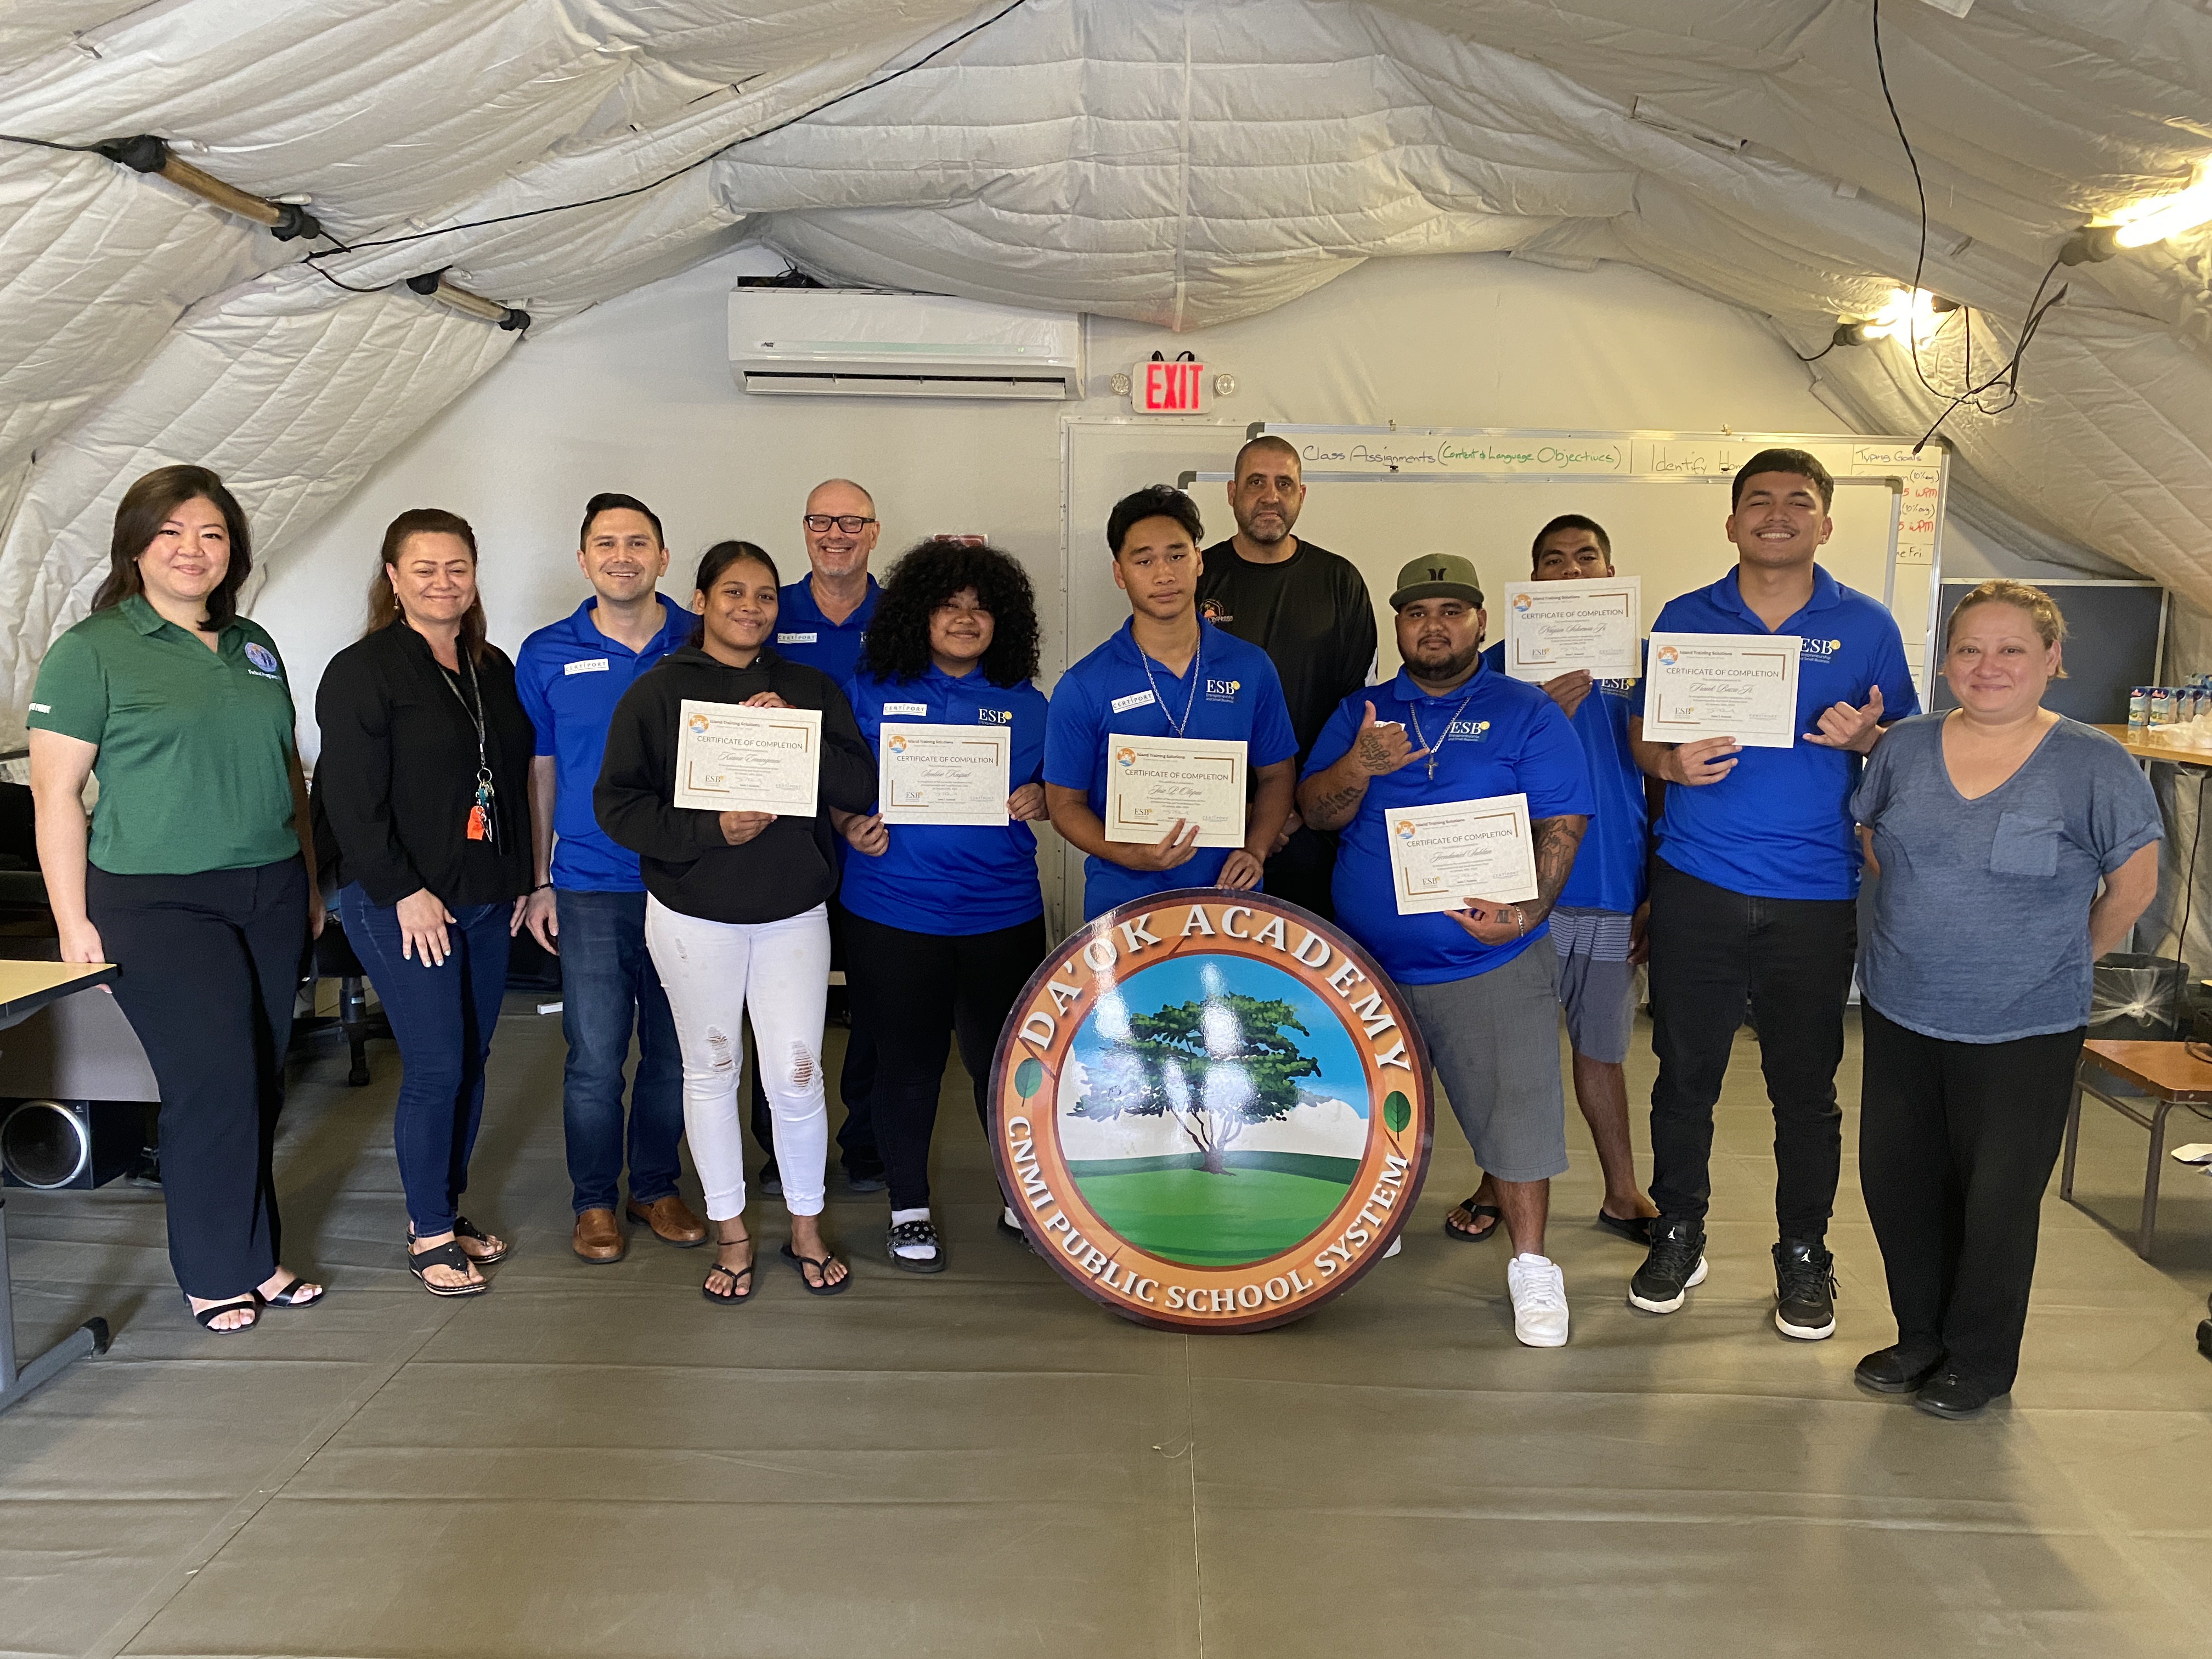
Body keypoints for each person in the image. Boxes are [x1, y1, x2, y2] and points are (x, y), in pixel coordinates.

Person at [1627, 448, 1918, 1338]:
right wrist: (1667, 761)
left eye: (1799, 500)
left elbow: (1908, 745)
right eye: (1758, 500)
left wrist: (1871, 738)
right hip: (1697, 884)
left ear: (1826, 523)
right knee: (1684, 1077)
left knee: (1806, 1088)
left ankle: (1803, 1252)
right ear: (1731, 522)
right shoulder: (1686, 615)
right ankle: (1677, 1228)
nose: (1778, 513)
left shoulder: (1866, 625)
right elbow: (1642, 733)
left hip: (1814, 893)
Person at [1851, 581, 2159, 1419]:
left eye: (2012, 649)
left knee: (1996, 1200)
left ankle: (1979, 1360)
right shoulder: (1904, 748)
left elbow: (2133, 885)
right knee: (1900, 1183)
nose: (1989, 667)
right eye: (1970, 650)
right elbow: (1877, 843)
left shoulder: (2094, 763)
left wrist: (2061, 958)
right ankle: (1920, 1335)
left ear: (2052, 661)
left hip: (2025, 1026)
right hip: (1902, 1010)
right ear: (1947, 661)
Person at [27, 466, 324, 1334]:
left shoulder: (253, 644)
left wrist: (306, 880)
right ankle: (210, 1271)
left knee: (261, 1079)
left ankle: (256, 1258)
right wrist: (73, 922)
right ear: (136, 546)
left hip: (268, 889)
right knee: (213, 1080)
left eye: (213, 536)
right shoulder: (93, 650)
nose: (194, 551)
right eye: (173, 534)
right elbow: (55, 794)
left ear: (233, 552)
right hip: (155, 901)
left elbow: (286, 774)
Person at [1299, 554, 1593, 1346]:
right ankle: (1367, 1228)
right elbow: (1318, 812)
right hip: (1366, 968)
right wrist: (1359, 766)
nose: (1435, 626)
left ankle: (1533, 1268)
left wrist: (1528, 913)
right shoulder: (1361, 709)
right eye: (1418, 612)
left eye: (1453, 611)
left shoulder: (1527, 711)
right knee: (1360, 1115)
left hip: (1488, 962)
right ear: (1398, 625)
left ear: (1481, 624)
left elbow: (1561, 825)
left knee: (1520, 1116)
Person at [595, 540, 876, 1301]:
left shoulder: (810, 687)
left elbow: (860, 781)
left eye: (763, 596)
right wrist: (710, 832)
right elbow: (617, 804)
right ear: (700, 601)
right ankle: (734, 1234)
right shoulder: (657, 694)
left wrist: (799, 731)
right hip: (694, 917)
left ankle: (806, 1228)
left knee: (797, 1075)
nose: (750, 609)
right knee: (713, 1073)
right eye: (733, 593)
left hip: (792, 914)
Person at [316, 509, 537, 1297]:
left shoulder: (492, 665)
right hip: (401, 903)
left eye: (457, 568)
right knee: (438, 1064)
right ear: (393, 578)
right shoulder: (363, 670)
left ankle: (445, 1204)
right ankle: (429, 1232)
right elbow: (348, 799)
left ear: (474, 575)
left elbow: (508, 781)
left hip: (482, 898)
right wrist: (403, 890)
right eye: (424, 569)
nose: (443, 583)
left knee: (473, 1058)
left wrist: (518, 878)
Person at [837, 539, 1051, 1269]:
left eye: (980, 609)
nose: (965, 620)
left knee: (1006, 1064)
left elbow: (1073, 789)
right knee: (907, 1065)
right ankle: (908, 1205)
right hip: (894, 913)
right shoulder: (868, 689)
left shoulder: (1030, 706)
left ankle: (1021, 1195)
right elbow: (835, 786)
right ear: (917, 615)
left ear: (1004, 624)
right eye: (948, 606)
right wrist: (847, 825)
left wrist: (1046, 797)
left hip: (1003, 914)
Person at [515, 493, 702, 1263]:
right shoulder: (547, 652)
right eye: (605, 544)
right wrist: (539, 880)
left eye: (638, 543)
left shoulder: (703, 642)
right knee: (595, 1053)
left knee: (673, 1052)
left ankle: (653, 1187)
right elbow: (541, 770)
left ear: (663, 557)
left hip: (689, 878)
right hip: (589, 884)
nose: (622, 556)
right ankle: (593, 1201)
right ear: (584, 559)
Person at [1465, 515, 1656, 1246]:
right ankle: (1492, 1182)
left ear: (1610, 574)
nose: (1570, 572)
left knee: (1601, 1049)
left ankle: (1620, 1191)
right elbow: (1472, 778)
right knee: (1513, 1055)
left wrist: (1656, 886)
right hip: (1516, 896)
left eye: (1586, 558)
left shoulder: (1644, 665)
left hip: (1609, 886)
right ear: (1532, 580)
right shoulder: (1499, 666)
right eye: (1553, 561)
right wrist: (1537, 711)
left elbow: (1664, 777)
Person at [1045, 484, 1299, 920]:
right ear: (1120, 573)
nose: (1164, 574)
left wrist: (1255, 850)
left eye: (1177, 555)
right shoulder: (1084, 684)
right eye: (1144, 560)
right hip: (1124, 906)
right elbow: (1065, 805)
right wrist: (1129, 855)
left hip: (1230, 901)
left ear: (1199, 561)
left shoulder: (1251, 667)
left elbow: (1277, 774)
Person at [751, 478, 885, 1196]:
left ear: (874, 532)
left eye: (850, 522)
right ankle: (778, 1150)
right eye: (820, 521)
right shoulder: (771, 608)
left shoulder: (904, 615)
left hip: (876, 842)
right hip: (781, 844)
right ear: (804, 529)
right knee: (780, 1010)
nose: (835, 533)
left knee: (873, 1002)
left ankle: (866, 1144)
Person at [1195, 435, 1377, 917]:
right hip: (1205, 825)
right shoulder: (1196, 577)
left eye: (1284, 483)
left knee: (1300, 975)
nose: (1270, 495)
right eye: (1256, 482)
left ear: (1301, 495)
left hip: (1310, 826)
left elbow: (1353, 707)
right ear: (1232, 493)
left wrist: (1290, 811)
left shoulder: (1339, 581)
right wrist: (1246, 820)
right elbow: (1176, 706)